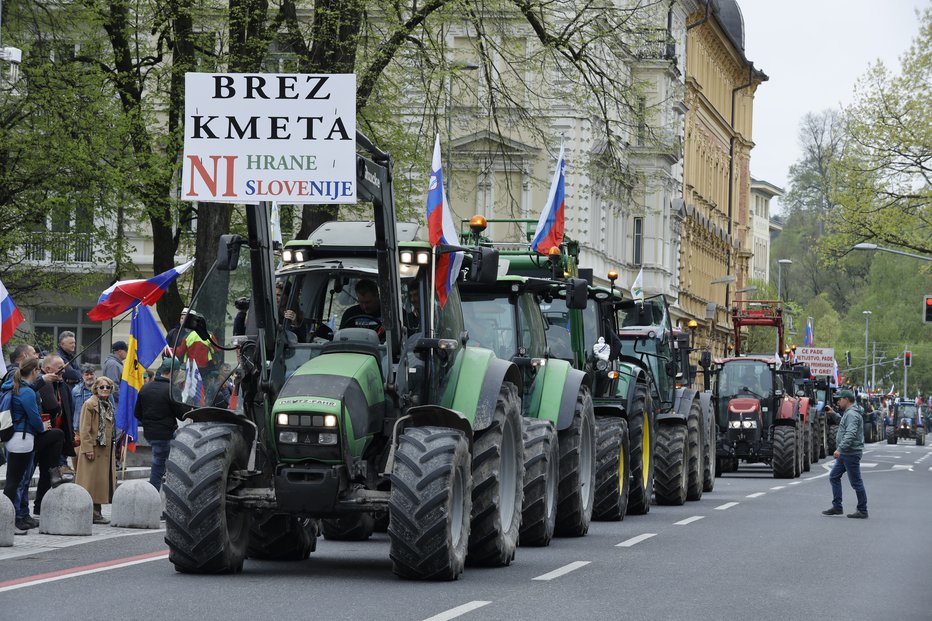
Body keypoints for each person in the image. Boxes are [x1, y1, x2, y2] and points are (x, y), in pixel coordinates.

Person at [2, 359, 69, 531]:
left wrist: (43, 381)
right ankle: (10, 521)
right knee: (15, 482)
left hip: (15, 438)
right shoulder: (27, 393)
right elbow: (34, 419)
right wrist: (42, 425)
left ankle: (11, 519)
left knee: (14, 481)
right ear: (34, 372)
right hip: (23, 439)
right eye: (38, 372)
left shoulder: (16, 387)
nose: (39, 374)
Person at [136, 358, 192, 490]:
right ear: (175, 372)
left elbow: (137, 413)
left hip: (150, 434)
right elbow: (182, 415)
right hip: (165, 434)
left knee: (161, 463)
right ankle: (154, 494)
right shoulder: (171, 390)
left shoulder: (145, 388)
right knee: (159, 466)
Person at [75, 377, 118, 524]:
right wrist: (87, 449)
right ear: (96, 388)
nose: (105, 390)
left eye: (108, 387)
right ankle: (91, 513)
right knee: (89, 483)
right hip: (93, 449)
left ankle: (96, 512)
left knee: (99, 483)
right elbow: (84, 429)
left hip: (105, 449)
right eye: (102, 387)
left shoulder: (108, 404)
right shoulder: (89, 404)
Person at [822, 389, 868, 519]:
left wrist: (840, 449)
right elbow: (844, 425)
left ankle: (862, 510)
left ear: (846, 400)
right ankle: (837, 507)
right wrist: (833, 414)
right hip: (847, 453)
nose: (838, 401)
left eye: (840, 399)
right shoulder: (849, 413)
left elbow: (850, 433)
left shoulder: (852, 414)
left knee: (856, 482)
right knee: (834, 477)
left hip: (850, 452)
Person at [35, 355, 77, 471]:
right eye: (60, 368)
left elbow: (69, 412)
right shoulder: (39, 385)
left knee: (49, 475)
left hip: (58, 440)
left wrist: (71, 435)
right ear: (48, 369)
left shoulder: (63, 386)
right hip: (41, 437)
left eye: (64, 367)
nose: (63, 371)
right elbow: (52, 407)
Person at [72, 363, 98, 432]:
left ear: (95, 374)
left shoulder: (104, 389)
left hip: (98, 428)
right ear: (82, 376)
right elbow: (73, 409)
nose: (89, 377)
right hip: (80, 427)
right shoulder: (75, 390)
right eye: (86, 374)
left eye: (91, 374)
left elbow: (111, 408)